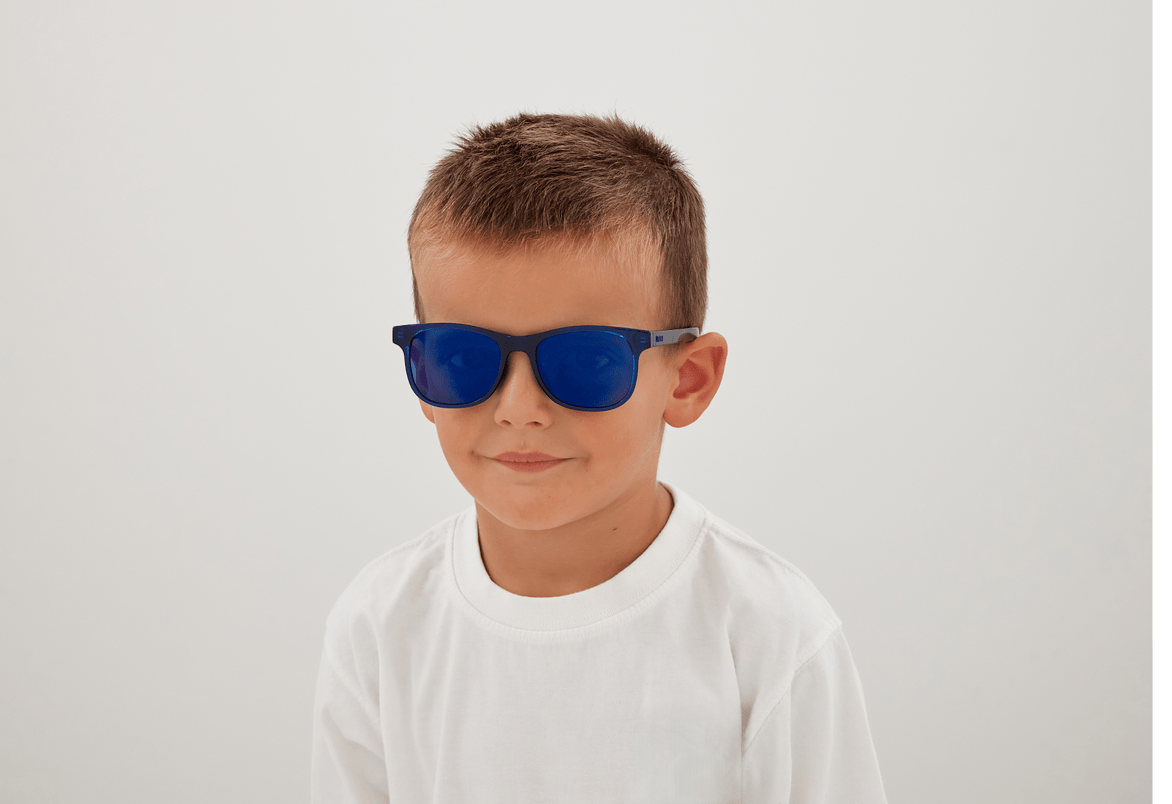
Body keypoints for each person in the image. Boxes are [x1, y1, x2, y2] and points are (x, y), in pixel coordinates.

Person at [310, 113, 888, 803]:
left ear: (688, 379)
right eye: (462, 358)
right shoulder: (378, 627)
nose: (518, 408)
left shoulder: (770, 635)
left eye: (584, 360)